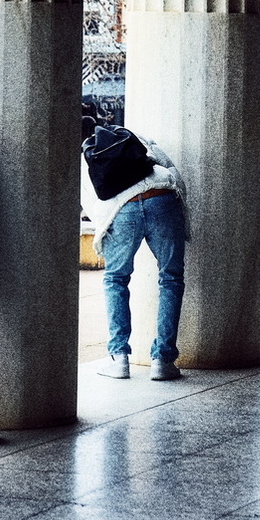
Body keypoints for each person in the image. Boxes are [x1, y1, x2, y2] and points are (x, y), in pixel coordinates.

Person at [80, 118, 189, 381]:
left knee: (116, 279)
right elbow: (167, 164)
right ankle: (163, 360)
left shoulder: (84, 156)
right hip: (163, 194)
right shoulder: (128, 134)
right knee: (171, 278)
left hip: (121, 208)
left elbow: (92, 202)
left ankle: (119, 359)